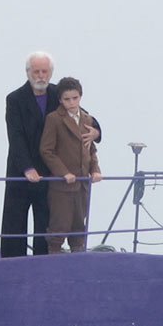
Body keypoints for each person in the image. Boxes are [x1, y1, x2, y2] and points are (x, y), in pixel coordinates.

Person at [0, 52, 99, 257]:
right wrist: (27, 168)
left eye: (44, 71)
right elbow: (15, 137)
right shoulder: (15, 99)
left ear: (51, 73)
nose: (40, 76)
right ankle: (10, 265)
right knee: (14, 222)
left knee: (45, 222)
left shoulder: (58, 95)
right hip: (20, 171)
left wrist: (97, 132)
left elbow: (83, 116)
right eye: (36, 71)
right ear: (28, 72)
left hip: (50, 173)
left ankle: (42, 263)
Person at [39, 77, 102, 253]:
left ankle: (77, 261)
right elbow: (46, 150)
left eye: (75, 98)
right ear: (60, 100)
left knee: (78, 228)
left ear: (80, 97)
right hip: (62, 186)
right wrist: (63, 172)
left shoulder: (87, 119)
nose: (72, 102)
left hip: (82, 183)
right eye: (67, 99)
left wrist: (95, 170)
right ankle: (53, 263)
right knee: (58, 228)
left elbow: (91, 149)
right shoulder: (54, 119)